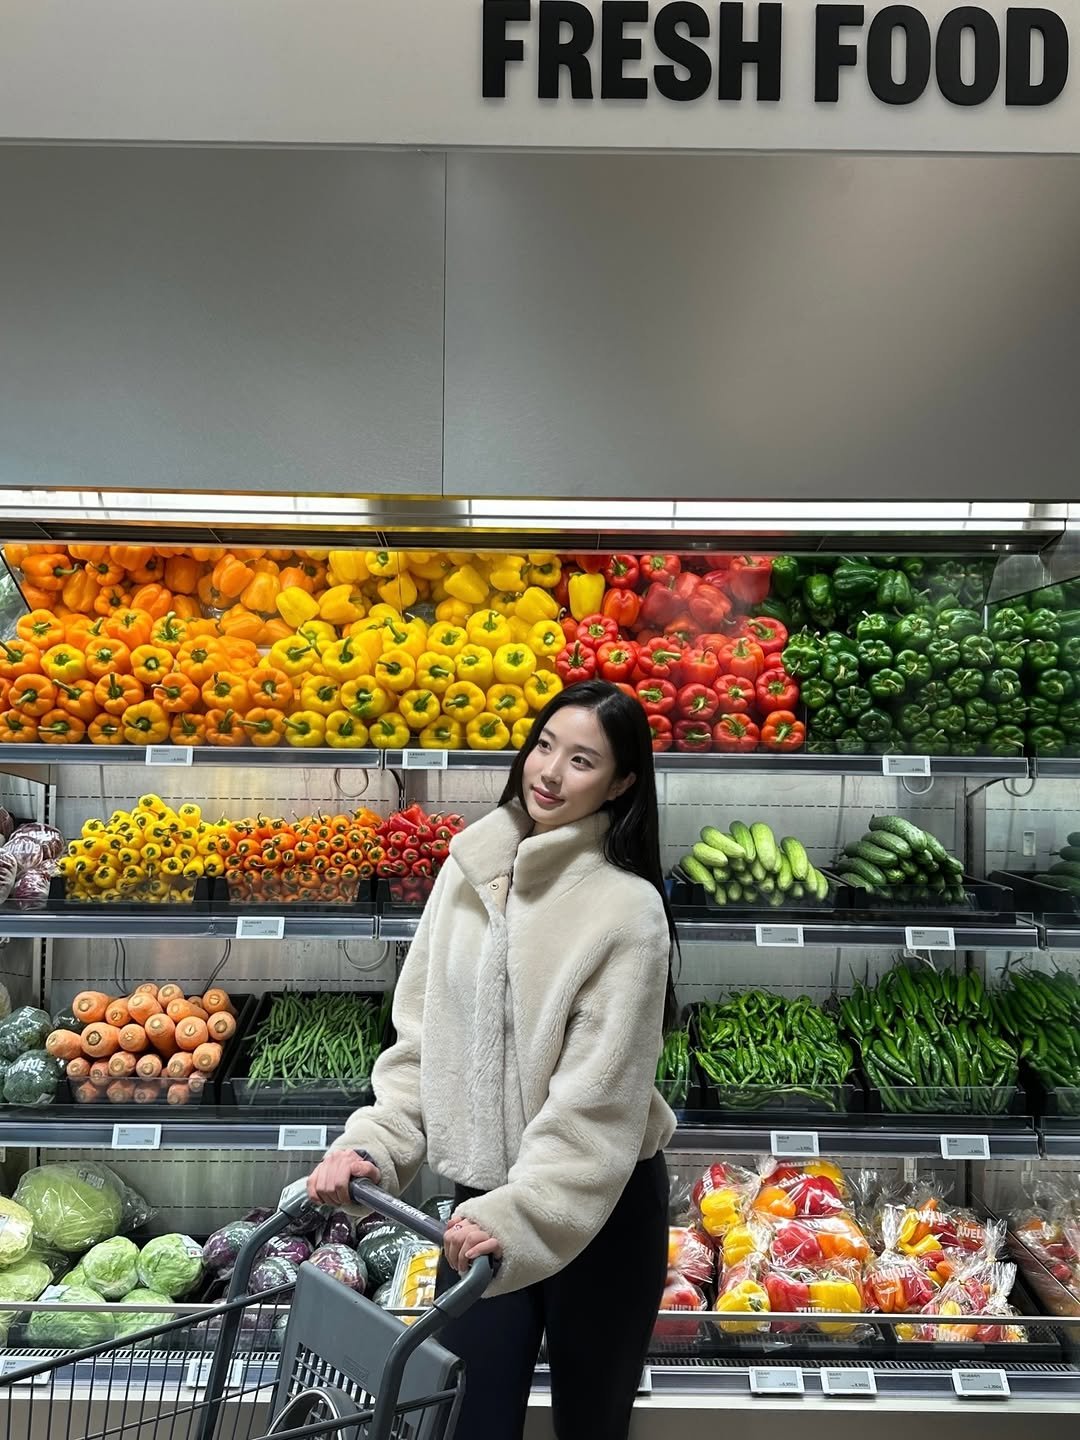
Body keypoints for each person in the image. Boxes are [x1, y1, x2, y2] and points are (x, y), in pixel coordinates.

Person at [306, 678, 679, 1440]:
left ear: (622, 781)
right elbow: (419, 1041)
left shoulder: (625, 909)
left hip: (597, 1205)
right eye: (545, 746)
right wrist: (374, 1143)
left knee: (590, 1426)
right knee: (465, 1420)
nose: (548, 772)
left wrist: (525, 1213)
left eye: (582, 760)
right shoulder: (466, 872)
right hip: (480, 1211)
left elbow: (597, 1101)